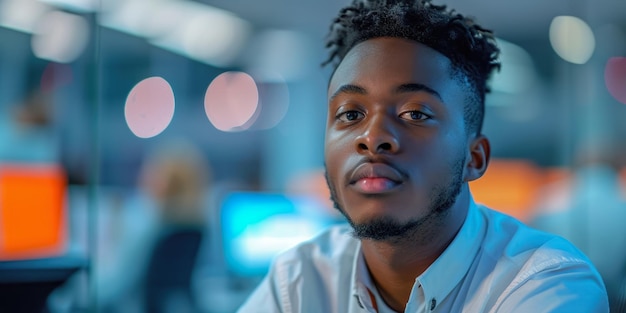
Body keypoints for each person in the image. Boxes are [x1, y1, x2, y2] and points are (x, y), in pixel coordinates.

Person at [238, 0, 609, 312]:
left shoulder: (547, 284)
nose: (373, 137)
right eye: (351, 114)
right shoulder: (299, 280)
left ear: (474, 158)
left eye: (415, 113)